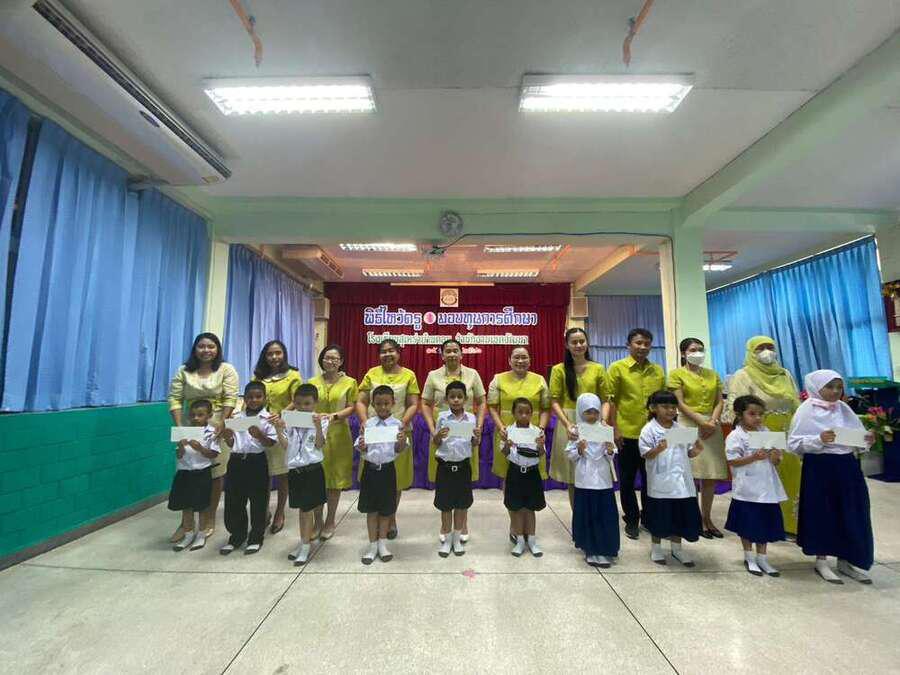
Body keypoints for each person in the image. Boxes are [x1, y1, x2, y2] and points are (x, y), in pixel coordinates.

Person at [788, 369, 875, 585]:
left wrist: (866, 440)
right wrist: (819, 439)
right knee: (823, 511)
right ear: (817, 388)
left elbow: (857, 437)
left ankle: (847, 559)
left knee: (852, 509)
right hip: (820, 466)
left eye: (839, 387)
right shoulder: (806, 410)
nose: (835, 392)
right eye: (830, 387)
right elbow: (794, 444)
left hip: (847, 464)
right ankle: (822, 560)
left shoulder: (844, 409)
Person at [725, 336, 801, 533]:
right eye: (760, 348)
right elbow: (736, 406)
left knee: (791, 474)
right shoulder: (743, 375)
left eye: (770, 347)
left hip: (787, 430)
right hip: (759, 431)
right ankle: (770, 524)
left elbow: (795, 402)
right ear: (751, 352)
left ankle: (792, 524)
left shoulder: (784, 373)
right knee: (766, 477)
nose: (767, 352)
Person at [167, 333, 239, 541]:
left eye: (211, 346)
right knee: (187, 471)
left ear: (217, 349)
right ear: (195, 349)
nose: (206, 350)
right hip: (190, 423)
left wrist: (222, 422)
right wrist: (180, 427)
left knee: (214, 473)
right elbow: (175, 398)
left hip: (217, 423)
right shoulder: (184, 370)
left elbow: (230, 397)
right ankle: (186, 523)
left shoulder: (226, 369)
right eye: (202, 346)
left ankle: (208, 518)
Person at [421, 338, 486, 544]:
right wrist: (433, 430)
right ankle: (445, 526)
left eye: (455, 350)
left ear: (461, 354)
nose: (451, 354)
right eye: (447, 351)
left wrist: (479, 427)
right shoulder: (433, 376)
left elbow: (481, 401)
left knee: (463, 481)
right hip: (442, 434)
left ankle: (462, 525)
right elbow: (425, 403)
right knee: (445, 482)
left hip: (466, 433)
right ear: (442, 355)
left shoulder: (472, 374)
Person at [604, 328, 666, 540]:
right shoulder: (617, 368)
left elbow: (663, 402)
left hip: (653, 435)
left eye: (647, 343)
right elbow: (611, 400)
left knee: (651, 479)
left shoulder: (657, 371)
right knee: (628, 480)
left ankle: (649, 517)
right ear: (628, 345)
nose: (642, 347)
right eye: (638, 343)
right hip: (627, 433)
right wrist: (615, 428)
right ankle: (631, 519)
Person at [357, 339, 420, 540]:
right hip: (374, 433)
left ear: (398, 353)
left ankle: (391, 518)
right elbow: (361, 401)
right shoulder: (371, 373)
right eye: (383, 351)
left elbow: (413, 404)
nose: (387, 354)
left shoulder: (409, 375)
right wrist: (365, 422)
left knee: (396, 479)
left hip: (398, 432)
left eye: (391, 350)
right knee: (375, 476)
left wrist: (401, 423)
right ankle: (375, 517)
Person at [487, 347, 551, 543]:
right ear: (509, 360)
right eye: (516, 357)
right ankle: (514, 525)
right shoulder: (498, 379)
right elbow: (492, 407)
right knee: (510, 478)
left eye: (524, 357)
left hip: (532, 435)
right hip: (508, 434)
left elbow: (546, 408)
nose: (520, 361)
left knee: (530, 478)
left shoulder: (540, 380)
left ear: (530, 360)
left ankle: (528, 528)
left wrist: (541, 429)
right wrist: (502, 428)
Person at [667, 337, 726, 538]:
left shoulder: (713, 374)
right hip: (684, 423)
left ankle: (706, 518)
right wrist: (701, 422)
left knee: (710, 475)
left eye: (701, 349)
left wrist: (712, 421)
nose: (698, 353)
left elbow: (719, 401)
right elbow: (679, 403)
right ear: (683, 353)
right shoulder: (676, 374)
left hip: (712, 425)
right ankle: (689, 517)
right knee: (686, 473)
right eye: (693, 350)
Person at [638, 390, 704, 566]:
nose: (670, 411)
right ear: (653, 408)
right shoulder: (649, 429)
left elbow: (687, 453)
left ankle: (677, 549)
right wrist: (658, 449)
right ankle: (656, 548)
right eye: (665, 407)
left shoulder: (680, 429)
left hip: (681, 482)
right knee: (660, 516)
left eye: (673, 407)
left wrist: (697, 449)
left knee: (679, 515)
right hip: (661, 481)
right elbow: (645, 454)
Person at [724, 395, 787, 577]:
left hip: (767, 488)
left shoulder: (766, 432)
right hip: (747, 489)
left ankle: (762, 558)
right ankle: (749, 557)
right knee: (748, 524)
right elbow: (732, 461)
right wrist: (753, 457)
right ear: (740, 414)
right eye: (752, 414)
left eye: (760, 414)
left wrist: (776, 455)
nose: (757, 418)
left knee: (764, 524)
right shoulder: (736, 436)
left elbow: (776, 461)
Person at [549, 327, 608, 508]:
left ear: (587, 343)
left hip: (594, 421)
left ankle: (595, 515)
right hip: (568, 421)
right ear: (567, 345)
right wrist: (567, 424)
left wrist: (603, 422)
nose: (578, 345)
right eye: (574, 342)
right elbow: (554, 401)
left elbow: (606, 400)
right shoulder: (559, 370)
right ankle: (578, 517)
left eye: (582, 341)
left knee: (596, 468)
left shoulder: (598, 368)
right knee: (573, 474)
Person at [219, 382, 278, 556]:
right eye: (250, 397)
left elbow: (271, 443)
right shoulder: (236, 417)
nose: (254, 400)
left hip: (257, 462)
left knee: (258, 501)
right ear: (244, 398)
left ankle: (256, 538)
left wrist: (260, 435)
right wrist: (227, 437)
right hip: (236, 462)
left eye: (258, 396)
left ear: (265, 398)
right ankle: (236, 536)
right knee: (234, 501)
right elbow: (232, 443)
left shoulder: (268, 419)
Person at [273, 383, 328, 567]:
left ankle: (305, 546)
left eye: (307, 404)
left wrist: (318, 426)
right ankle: (304, 541)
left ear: (315, 403)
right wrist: (279, 429)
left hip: (312, 470)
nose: (302, 407)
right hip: (295, 471)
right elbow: (285, 445)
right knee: (302, 510)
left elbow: (319, 444)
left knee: (307, 510)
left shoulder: (321, 420)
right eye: (298, 404)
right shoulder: (290, 419)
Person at [307, 345, 358, 540]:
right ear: (322, 359)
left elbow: (352, 407)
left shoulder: (350, 382)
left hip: (339, 435)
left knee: (334, 482)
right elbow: (305, 404)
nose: (331, 361)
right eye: (327, 358)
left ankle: (330, 520)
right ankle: (317, 521)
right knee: (316, 480)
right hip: (316, 435)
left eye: (335, 358)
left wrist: (333, 416)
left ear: (341, 361)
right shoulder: (312, 382)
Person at [252, 340, 303, 536]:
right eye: (270, 354)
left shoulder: (293, 375)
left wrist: (279, 414)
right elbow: (252, 396)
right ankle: (263, 511)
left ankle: (280, 513)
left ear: (284, 354)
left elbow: (296, 400)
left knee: (282, 474)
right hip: (261, 429)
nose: (274, 357)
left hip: (282, 427)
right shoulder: (259, 376)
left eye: (278, 353)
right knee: (262, 474)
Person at [565, 393, 619, 568]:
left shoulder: (604, 429)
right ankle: (590, 549)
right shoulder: (576, 430)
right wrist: (580, 450)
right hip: (585, 479)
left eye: (595, 412)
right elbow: (570, 454)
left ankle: (605, 548)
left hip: (603, 480)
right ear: (581, 412)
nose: (592, 416)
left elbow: (612, 454)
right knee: (588, 514)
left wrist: (609, 450)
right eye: (588, 412)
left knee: (604, 514)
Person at [356, 385, 408, 564]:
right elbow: (362, 449)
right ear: (372, 404)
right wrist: (362, 445)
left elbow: (399, 449)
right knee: (371, 510)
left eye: (386, 403)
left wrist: (401, 441)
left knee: (386, 510)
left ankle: (382, 545)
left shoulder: (397, 425)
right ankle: (372, 546)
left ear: (393, 403)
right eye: (378, 404)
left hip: (387, 471)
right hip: (370, 471)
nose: (383, 407)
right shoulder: (368, 424)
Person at [431, 381, 479, 557]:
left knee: (461, 505)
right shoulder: (442, 417)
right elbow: (436, 442)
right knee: (445, 506)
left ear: (466, 399)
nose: (456, 400)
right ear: (446, 399)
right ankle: (447, 539)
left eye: (460, 397)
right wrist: (437, 435)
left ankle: (457, 539)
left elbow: (474, 443)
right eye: (452, 397)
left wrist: (477, 438)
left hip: (463, 467)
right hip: (445, 467)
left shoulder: (471, 418)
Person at [169, 399, 223, 552]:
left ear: (209, 416)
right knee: (186, 506)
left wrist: (200, 448)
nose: (196, 418)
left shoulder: (212, 433)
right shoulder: (184, 432)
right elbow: (179, 455)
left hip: (201, 473)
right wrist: (180, 447)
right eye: (193, 415)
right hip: (184, 473)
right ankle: (188, 534)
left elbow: (213, 454)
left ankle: (201, 534)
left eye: (200, 415)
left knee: (202, 506)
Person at [502, 397, 547, 557]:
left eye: (527, 412)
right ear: (513, 413)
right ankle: (520, 540)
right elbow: (505, 453)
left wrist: (540, 445)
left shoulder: (537, 431)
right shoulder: (509, 431)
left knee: (530, 508)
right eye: (520, 412)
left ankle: (532, 541)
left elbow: (541, 454)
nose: (524, 415)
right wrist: (507, 444)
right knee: (517, 508)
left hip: (532, 473)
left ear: (532, 413)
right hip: (515, 472)